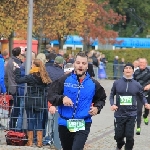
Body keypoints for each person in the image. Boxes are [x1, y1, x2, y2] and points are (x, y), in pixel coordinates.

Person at [47, 52, 106, 150]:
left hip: (83, 122)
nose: (81, 66)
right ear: (74, 64)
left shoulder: (93, 84)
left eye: (84, 63)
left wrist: (97, 108)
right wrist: (62, 98)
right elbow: (51, 94)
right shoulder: (64, 79)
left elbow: (101, 99)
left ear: (87, 66)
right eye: (78, 63)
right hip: (65, 122)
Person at [109, 63, 150, 150]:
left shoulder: (136, 84)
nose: (128, 70)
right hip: (119, 114)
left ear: (132, 71)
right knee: (118, 136)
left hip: (131, 114)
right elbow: (112, 95)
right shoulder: (117, 83)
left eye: (130, 68)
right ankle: (120, 144)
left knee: (129, 136)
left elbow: (142, 96)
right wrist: (112, 104)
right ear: (123, 70)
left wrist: (146, 103)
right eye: (126, 68)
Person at [14, 59, 52, 147]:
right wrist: (44, 93)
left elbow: (18, 80)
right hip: (41, 101)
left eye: (32, 64)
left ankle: (30, 142)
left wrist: (17, 70)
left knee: (30, 120)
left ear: (34, 65)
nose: (31, 65)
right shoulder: (44, 76)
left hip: (30, 100)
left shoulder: (30, 76)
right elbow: (50, 86)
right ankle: (39, 142)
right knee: (39, 120)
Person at [6, 47, 22, 130]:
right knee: (17, 108)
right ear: (19, 54)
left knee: (14, 107)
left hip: (11, 86)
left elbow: (6, 75)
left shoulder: (9, 61)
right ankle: (13, 127)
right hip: (16, 87)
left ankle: (11, 125)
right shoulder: (17, 62)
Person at [134, 58, 150, 135]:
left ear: (146, 64)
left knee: (147, 108)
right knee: (138, 110)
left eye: (143, 63)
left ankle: (145, 115)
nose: (141, 64)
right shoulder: (136, 72)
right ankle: (138, 127)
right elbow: (132, 82)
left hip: (148, 93)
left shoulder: (149, 71)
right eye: (140, 62)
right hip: (139, 93)